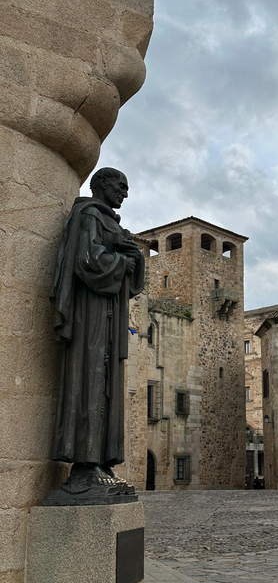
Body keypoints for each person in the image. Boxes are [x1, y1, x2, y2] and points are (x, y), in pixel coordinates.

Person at [50, 167, 144, 493]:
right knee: (89, 379)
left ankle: (102, 460)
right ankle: (83, 464)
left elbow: (129, 271)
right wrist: (123, 262)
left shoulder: (109, 221)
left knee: (106, 384)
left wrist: (132, 257)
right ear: (101, 183)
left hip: (108, 314)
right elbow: (88, 260)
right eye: (121, 185)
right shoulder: (89, 215)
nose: (125, 193)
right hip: (90, 313)